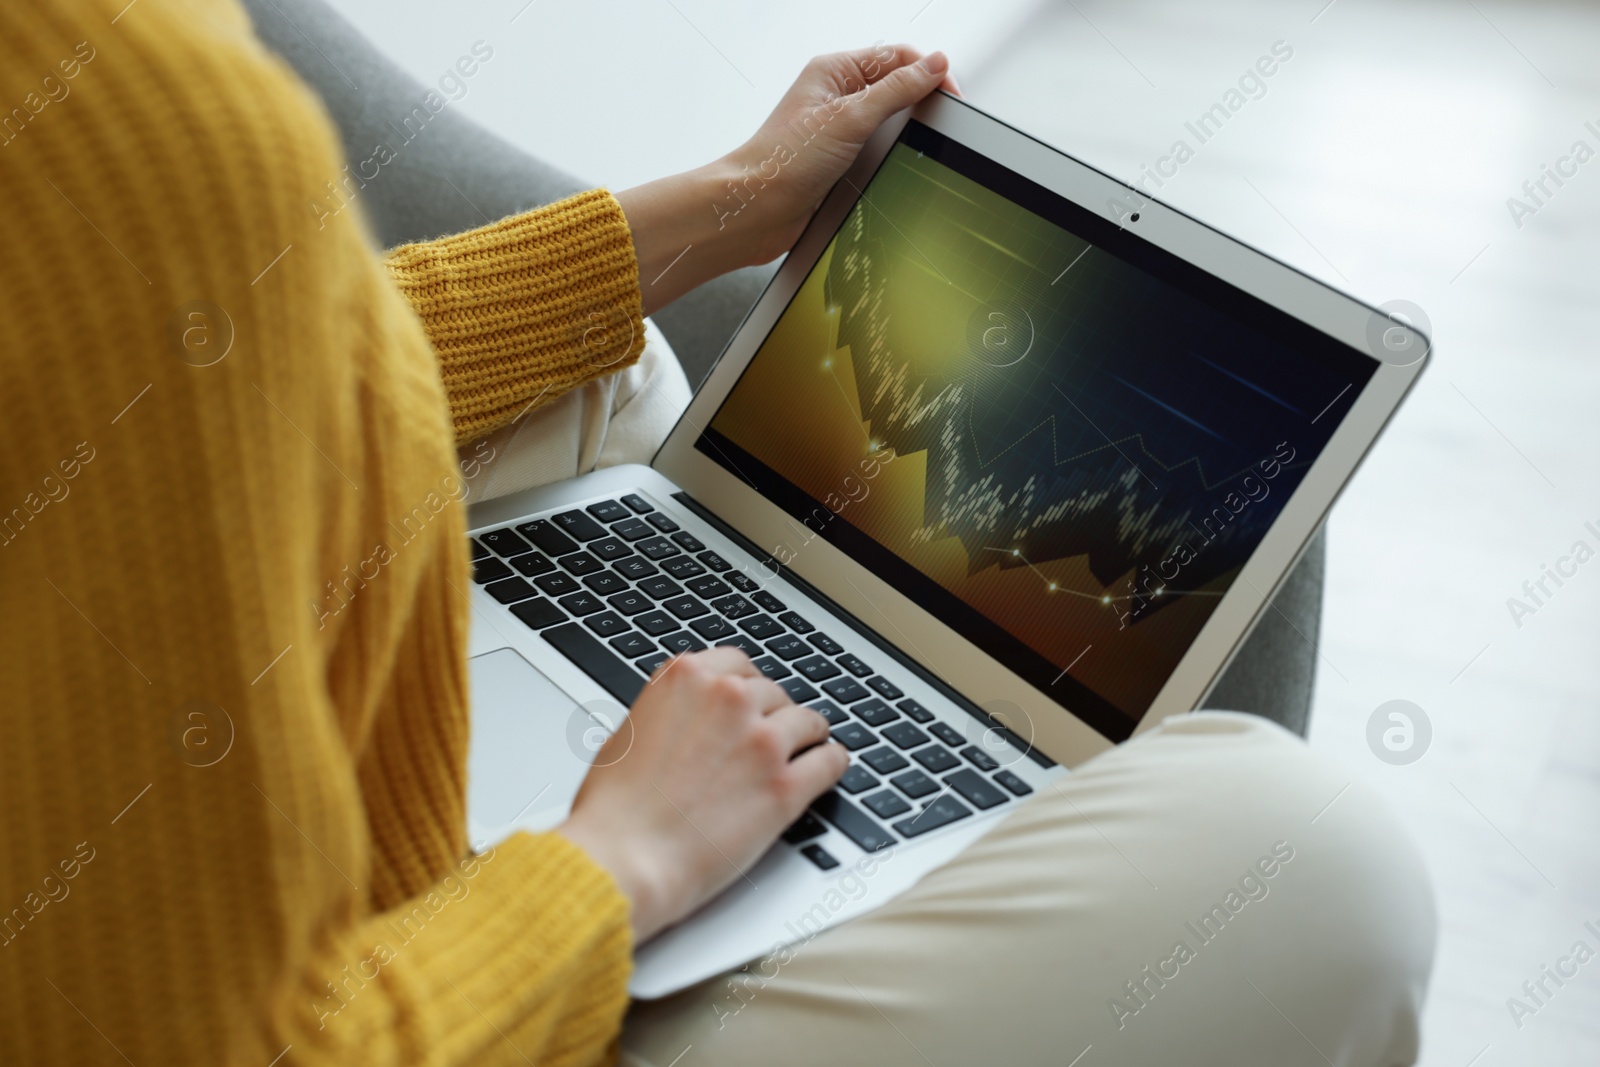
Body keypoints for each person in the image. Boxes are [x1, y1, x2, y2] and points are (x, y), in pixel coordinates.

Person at [0, 2, 1435, 1064]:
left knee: (618, 369)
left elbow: (218, 372)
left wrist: (735, 205)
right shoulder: (122, 124)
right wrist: (618, 862)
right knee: (1312, 850)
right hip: (415, 987)